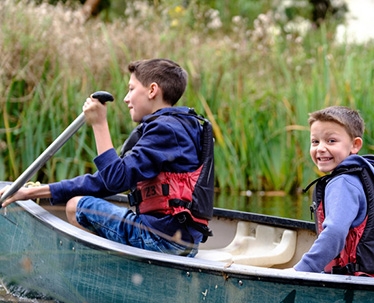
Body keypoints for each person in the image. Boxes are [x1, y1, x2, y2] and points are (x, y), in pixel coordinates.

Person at [0, 58, 214, 257]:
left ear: (152, 90)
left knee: (76, 207)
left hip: (161, 240)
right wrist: (32, 192)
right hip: (179, 241)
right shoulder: (180, 127)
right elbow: (103, 182)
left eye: (131, 89)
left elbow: (115, 178)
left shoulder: (165, 130)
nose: (126, 98)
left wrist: (99, 124)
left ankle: (102, 271)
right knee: (82, 200)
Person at [293, 106, 374, 277]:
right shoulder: (369, 179)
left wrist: (301, 270)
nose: (320, 148)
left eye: (331, 141)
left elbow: (335, 232)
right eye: (315, 141)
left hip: (354, 279)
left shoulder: (341, 183)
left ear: (355, 145)